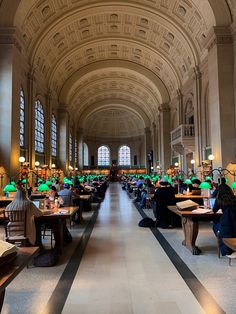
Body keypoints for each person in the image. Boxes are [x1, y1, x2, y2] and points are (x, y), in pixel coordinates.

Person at [212, 183, 236, 256]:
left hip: (227, 224)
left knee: (214, 225)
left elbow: (214, 210)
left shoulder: (219, 199)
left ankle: (222, 241)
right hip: (234, 224)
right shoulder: (235, 198)